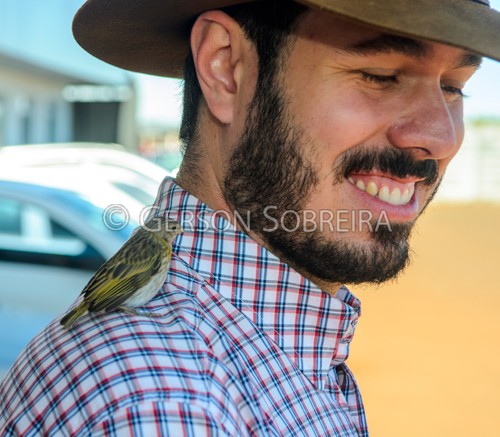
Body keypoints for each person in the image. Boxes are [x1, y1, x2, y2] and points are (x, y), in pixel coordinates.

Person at [1, 0, 499, 435]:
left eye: (454, 87)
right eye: (380, 75)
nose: (439, 137)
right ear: (226, 70)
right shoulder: (166, 407)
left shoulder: (252, 351)